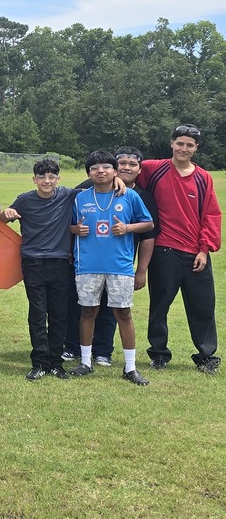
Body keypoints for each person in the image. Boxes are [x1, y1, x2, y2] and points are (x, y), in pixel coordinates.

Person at [63, 146, 158, 367]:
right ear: (88, 173)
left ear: (115, 172)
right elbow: (66, 225)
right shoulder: (79, 198)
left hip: (120, 267)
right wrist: (74, 230)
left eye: (107, 167)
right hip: (86, 265)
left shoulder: (130, 195)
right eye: (95, 168)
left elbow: (149, 224)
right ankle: (85, 362)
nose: (101, 171)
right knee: (87, 312)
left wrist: (127, 228)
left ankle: (130, 366)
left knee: (123, 314)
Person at [138, 124, 222, 373]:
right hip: (163, 250)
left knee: (203, 306)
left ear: (196, 148)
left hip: (196, 253)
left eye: (189, 145)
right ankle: (159, 354)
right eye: (180, 143)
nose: (184, 148)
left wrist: (204, 249)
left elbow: (211, 215)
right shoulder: (153, 169)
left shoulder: (203, 177)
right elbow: (124, 174)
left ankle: (206, 356)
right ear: (172, 143)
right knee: (160, 304)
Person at [1, 159, 76, 381]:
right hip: (33, 262)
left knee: (59, 314)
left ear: (58, 179)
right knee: (37, 312)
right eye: (42, 177)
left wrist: (118, 180)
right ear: (34, 179)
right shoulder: (25, 200)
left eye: (52, 176)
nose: (47, 180)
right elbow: (4, 218)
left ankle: (56, 362)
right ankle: (39, 362)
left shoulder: (67, 195)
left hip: (60, 261)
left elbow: (95, 183)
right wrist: (6, 213)